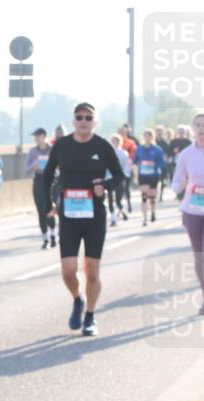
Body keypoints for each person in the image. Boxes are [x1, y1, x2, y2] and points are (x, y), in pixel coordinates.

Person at [43, 102, 125, 336]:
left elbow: (119, 175)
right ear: (73, 120)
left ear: (95, 122)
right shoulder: (62, 145)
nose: (83, 121)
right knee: (69, 270)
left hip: (95, 215)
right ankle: (77, 299)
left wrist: (106, 186)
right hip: (68, 214)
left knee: (93, 270)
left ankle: (90, 315)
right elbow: (47, 175)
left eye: (88, 117)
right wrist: (49, 202)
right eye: (79, 117)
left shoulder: (103, 146)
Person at [171, 112, 204, 316]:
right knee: (199, 255)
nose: (202, 129)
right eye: (198, 125)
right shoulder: (186, 154)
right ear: (193, 129)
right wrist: (179, 186)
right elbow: (176, 181)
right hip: (192, 210)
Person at [24, 128, 57, 248]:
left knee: (49, 208)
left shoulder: (52, 149)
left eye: (38, 136)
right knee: (40, 210)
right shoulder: (33, 152)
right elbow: (26, 169)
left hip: (51, 180)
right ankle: (45, 238)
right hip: (38, 180)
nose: (36, 139)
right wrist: (33, 166)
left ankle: (53, 234)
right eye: (35, 137)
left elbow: (60, 165)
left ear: (44, 136)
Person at [133, 129, 167, 225]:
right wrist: (135, 167)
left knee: (152, 196)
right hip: (142, 175)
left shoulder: (158, 149)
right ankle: (144, 218)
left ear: (152, 137)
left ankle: (153, 212)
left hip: (153, 175)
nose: (147, 138)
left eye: (149, 136)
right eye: (145, 136)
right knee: (144, 196)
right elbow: (134, 160)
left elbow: (162, 162)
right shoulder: (139, 149)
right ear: (143, 137)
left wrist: (154, 165)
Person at [106, 134, 131, 225]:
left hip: (119, 178)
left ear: (119, 142)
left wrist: (126, 175)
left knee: (117, 200)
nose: (113, 143)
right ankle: (113, 218)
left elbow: (126, 166)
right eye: (112, 141)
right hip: (109, 178)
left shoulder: (123, 153)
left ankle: (122, 210)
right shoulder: (107, 152)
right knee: (109, 199)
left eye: (115, 141)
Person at [118, 126, 137, 213]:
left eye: (122, 132)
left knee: (126, 187)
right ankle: (120, 206)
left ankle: (129, 204)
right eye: (119, 132)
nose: (121, 133)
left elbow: (133, 154)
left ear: (125, 133)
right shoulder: (115, 142)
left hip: (127, 168)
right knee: (119, 188)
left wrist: (130, 162)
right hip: (117, 169)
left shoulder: (130, 142)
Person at [155, 125, 172, 201]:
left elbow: (169, 152)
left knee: (162, 180)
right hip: (154, 163)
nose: (159, 133)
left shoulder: (165, 143)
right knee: (155, 179)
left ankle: (161, 194)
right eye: (158, 131)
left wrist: (167, 159)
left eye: (161, 131)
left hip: (163, 164)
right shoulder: (154, 141)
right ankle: (155, 193)